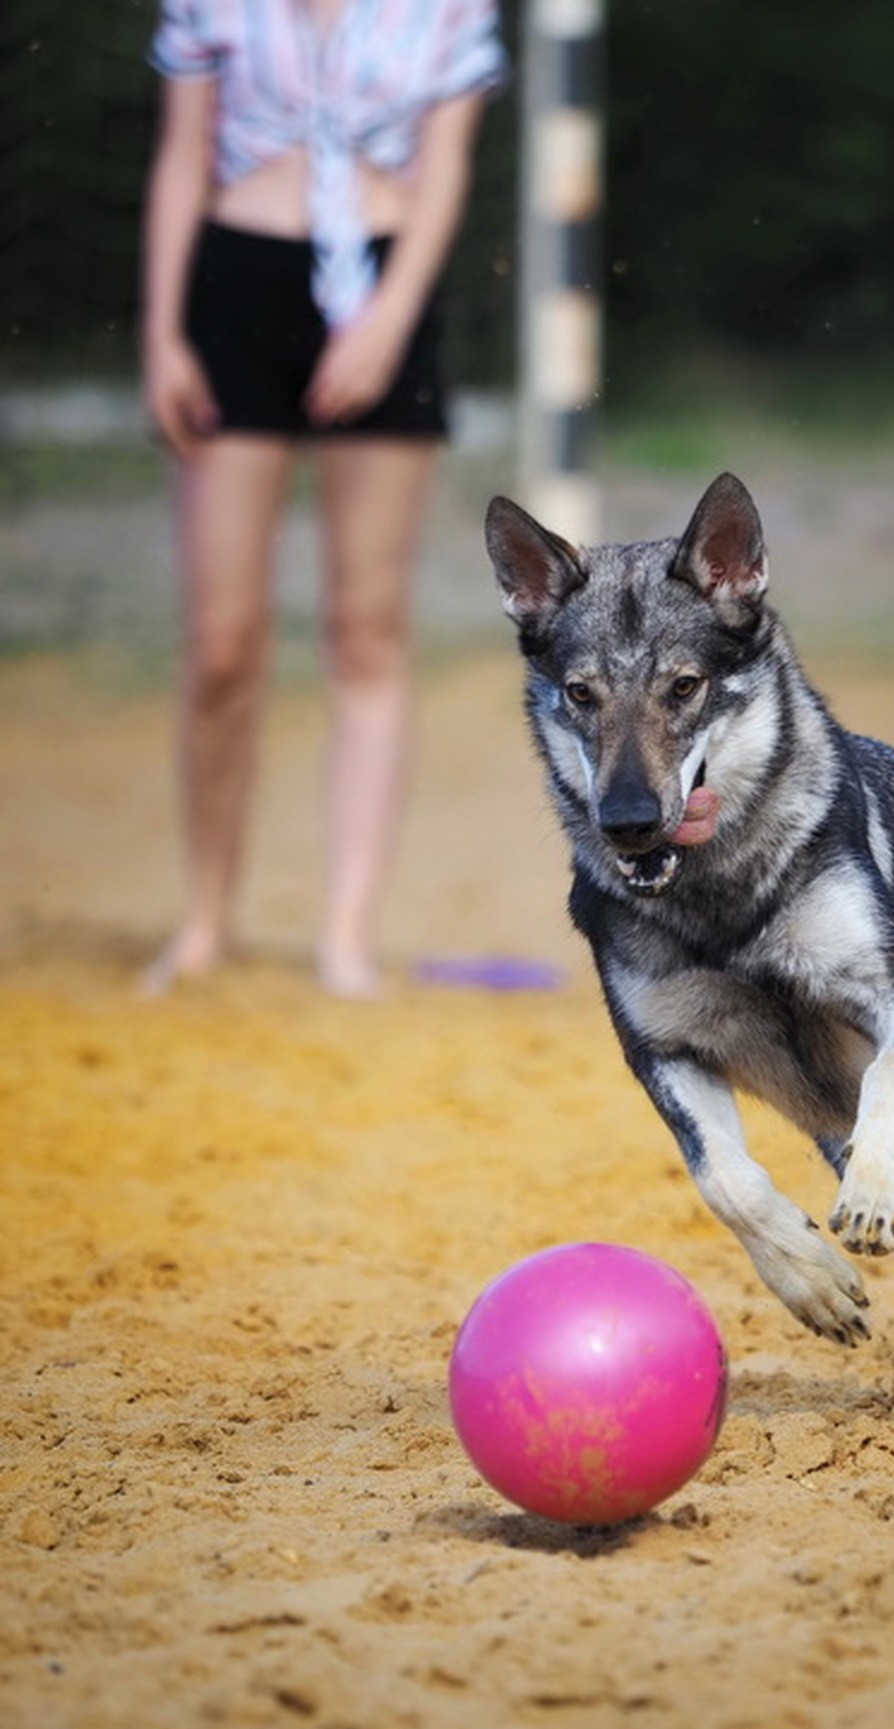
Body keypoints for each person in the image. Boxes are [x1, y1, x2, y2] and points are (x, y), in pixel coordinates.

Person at [140, 0, 508, 998]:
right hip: (236, 278)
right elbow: (182, 157)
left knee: (366, 628)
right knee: (220, 644)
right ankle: (206, 915)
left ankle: (347, 933)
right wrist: (164, 332)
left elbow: (445, 168)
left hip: (387, 282)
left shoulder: (450, 11)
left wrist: (390, 322)